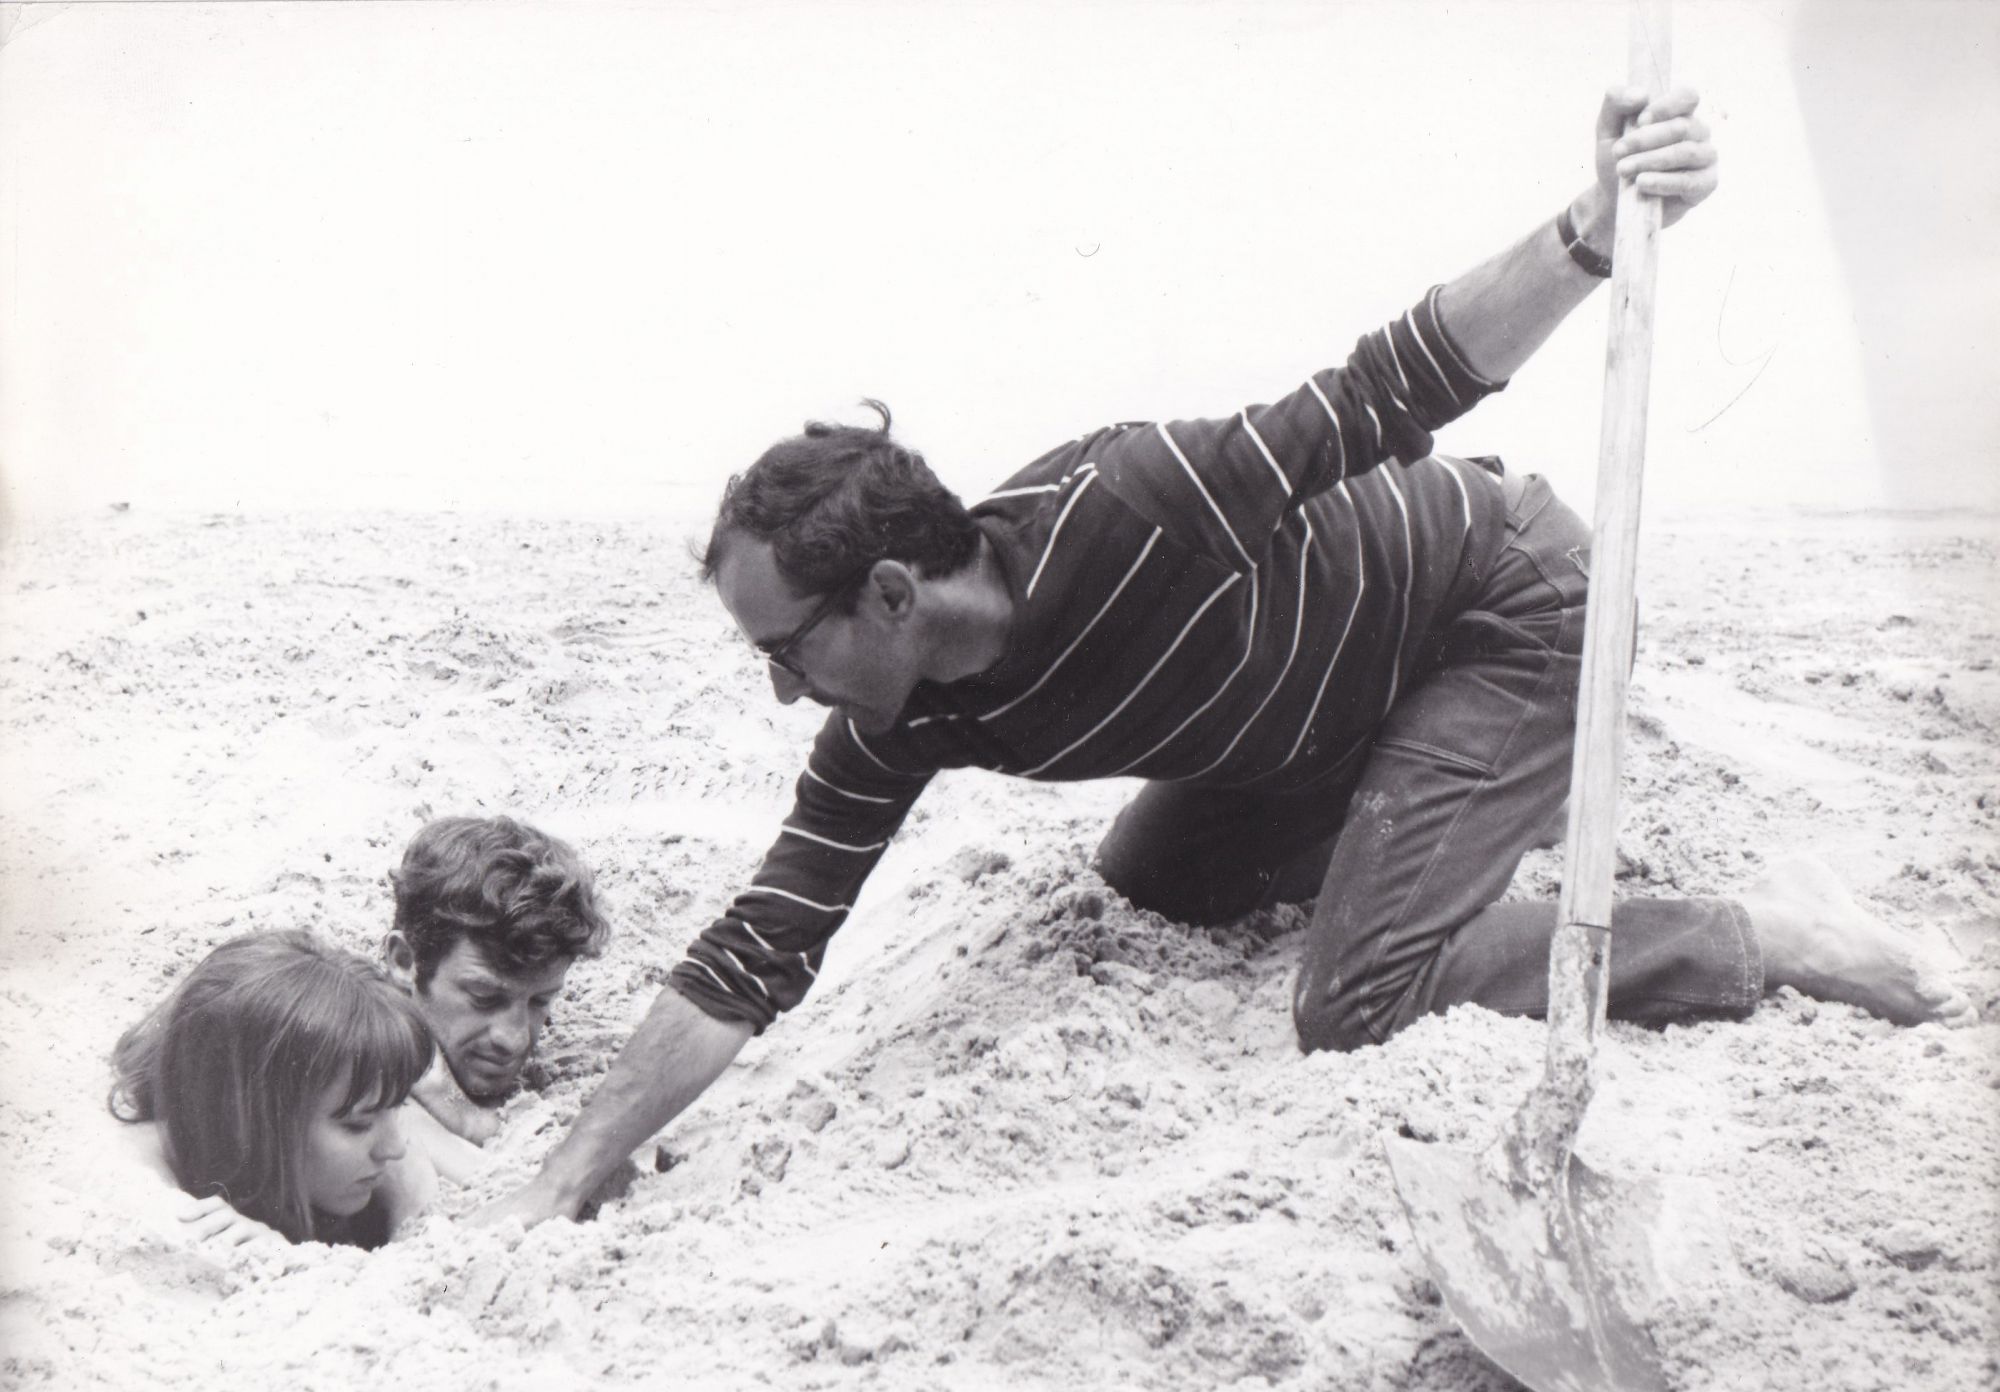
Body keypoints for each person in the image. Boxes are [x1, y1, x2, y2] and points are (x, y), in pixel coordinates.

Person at [479, 85, 1970, 1228]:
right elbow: (760, 943)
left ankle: (1765, 932)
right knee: (1154, 883)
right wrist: (565, 1182)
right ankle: (1434, 825)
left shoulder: (1129, 507)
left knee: (1355, 1002)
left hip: (1501, 610)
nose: (781, 689)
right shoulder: (895, 721)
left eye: (786, 649)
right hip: (1300, 730)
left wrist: (1591, 223)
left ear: (885, 592)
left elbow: (1401, 378)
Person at [109, 928, 478, 1251]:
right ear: (248, 1120)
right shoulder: (139, 1188)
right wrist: (288, 1261)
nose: (394, 1146)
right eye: (358, 1125)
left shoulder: (357, 1110)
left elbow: (492, 1188)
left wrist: (412, 1203)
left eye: (397, 1105)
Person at [383, 815, 612, 1143]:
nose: (514, 1039)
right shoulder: (344, 1043)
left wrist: (464, 1115)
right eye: (484, 998)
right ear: (405, 961)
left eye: (540, 1001)